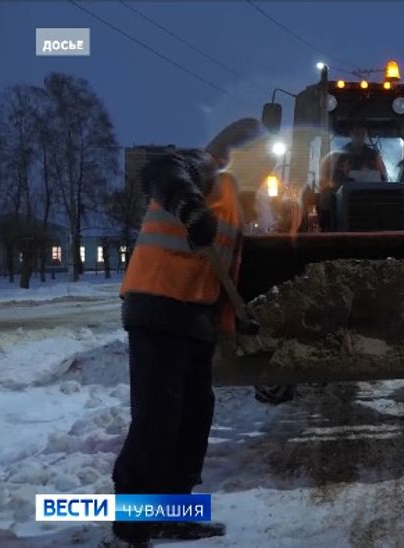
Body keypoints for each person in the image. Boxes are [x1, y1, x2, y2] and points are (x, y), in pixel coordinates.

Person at [111, 118, 270, 547]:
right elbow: (161, 171)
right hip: (159, 306)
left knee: (193, 420)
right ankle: (130, 526)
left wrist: (239, 326)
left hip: (194, 320)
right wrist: (189, 206)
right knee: (158, 419)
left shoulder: (236, 203)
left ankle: (173, 515)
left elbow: (224, 275)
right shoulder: (205, 167)